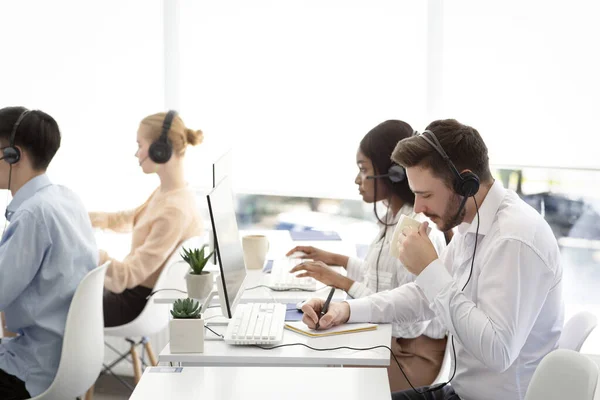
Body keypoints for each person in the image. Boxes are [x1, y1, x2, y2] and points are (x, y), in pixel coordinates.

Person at [301, 119, 564, 400]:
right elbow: (422, 296)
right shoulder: (472, 222)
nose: (418, 208)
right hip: (459, 392)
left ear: (465, 184)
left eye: (425, 194)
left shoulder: (515, 238)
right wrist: (347, 310)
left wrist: (429, 269)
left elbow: (498, 351)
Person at [287, 120, 448, 391]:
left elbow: (409, 325)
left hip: (411, 356)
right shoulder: (392, 217)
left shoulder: (416, 229)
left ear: (394, 174)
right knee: (313, 357)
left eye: (363, 170)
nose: (357, 180)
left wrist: (343, 283)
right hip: (388, 343)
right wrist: (337, 260)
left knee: (319, 378)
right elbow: (383, 281)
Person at [0, 107, 98, 399]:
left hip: (32, 371)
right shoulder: (66, 199)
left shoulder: (32, 216)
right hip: (68, 364)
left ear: (12, 156)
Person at [89, 111, 204, 327]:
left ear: (160, 149)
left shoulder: (174, 210)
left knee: (40, 301)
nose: (136, 153)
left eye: (140, 144)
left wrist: (88, 251)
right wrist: (81, 217)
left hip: (132, 305)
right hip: (132, 296)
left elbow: (129, 275)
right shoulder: (172, 193)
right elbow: (132, 219)